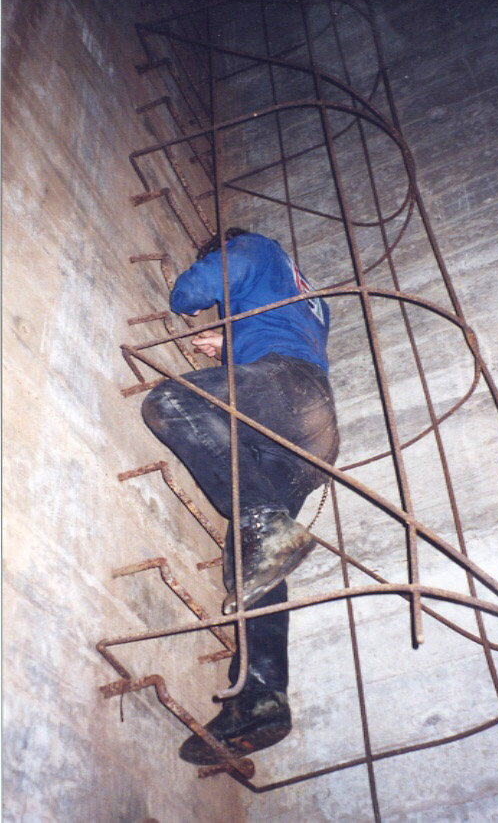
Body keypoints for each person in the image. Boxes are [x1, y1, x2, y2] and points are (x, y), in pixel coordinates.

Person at [141, 228, 339, 764]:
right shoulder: (306, 296)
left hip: (287, 392)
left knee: (173, 401)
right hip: (310, 427)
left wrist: (204, 284)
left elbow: (191, 293)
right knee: (255, 555)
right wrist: (230, 345)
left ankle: (264, 520)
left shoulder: (256, 247)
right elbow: (284, 330)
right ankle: (261, 696)